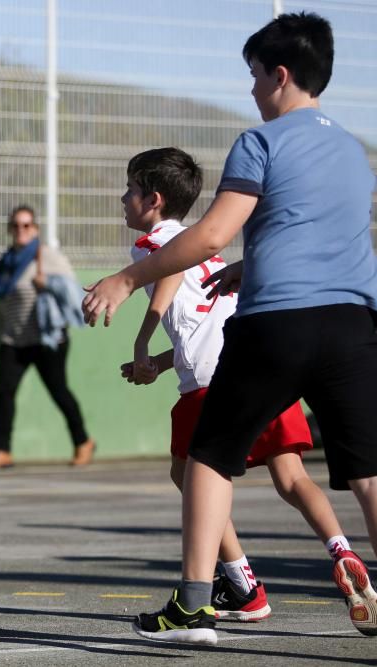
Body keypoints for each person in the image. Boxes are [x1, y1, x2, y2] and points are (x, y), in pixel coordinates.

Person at [82, 13, 377, 645]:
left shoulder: (261, 143)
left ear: (281, 74)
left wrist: (125, 280)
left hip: (278, 323)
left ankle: (196, 605)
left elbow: (211, 233)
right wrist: (251, 264)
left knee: (208, 459)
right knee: (368, 471)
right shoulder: (353, 151)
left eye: (252, 76)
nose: (250, 91)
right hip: (354, 321)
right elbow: (327, 234)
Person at [121, 146, 361, 626]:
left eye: (130, 189)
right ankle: (341, 552)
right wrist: (162, 365)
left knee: (191, 475)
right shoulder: (206, 247)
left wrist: (143, 339)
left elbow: (167, 279)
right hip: (258, 363)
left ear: (154, 200)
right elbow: (203, 329)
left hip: (212, 385)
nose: (122, 197)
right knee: (292, 477)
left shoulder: (155, 247)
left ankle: (242, 583)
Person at [0, 205, 94, 469]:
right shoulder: (6, 262)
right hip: (13, 339)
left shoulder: (47, 257)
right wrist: (1, 335)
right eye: (16, 226)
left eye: (26, 225)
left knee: (59, 391)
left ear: (35, 229)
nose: (21, 230)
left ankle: (83, 441)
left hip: (47, 339)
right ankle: (2, 450)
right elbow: (3, 302)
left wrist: (49, 284)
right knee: (4, 394)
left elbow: (73, 294)